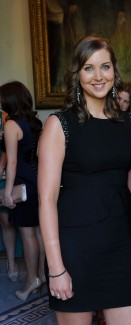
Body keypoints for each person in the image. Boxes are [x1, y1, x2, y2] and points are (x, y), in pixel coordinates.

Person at [38, 35, 131, 325]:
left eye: (105, 67)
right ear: (77, 74)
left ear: (114, 71)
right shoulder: (60, 125)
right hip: (74, 249)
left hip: (120, 245)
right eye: (89, 68)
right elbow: (47, 200)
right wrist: (56, 267)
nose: (99, 76)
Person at [0, 81, 45, 300]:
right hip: (38, 180)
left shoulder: (11, 124)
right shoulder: (34, 121)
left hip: (23, 182)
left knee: (28, 233)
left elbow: (13, 162)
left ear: (9, 99)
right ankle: (41, 275)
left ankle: (31, 280)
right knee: (38, 231)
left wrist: (8, 192)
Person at [0, 109, 18, 282]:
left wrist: (1, 165)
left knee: (6, 221)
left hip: (1, 175)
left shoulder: (4, 117)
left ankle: (11, 262)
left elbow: (7, 148)